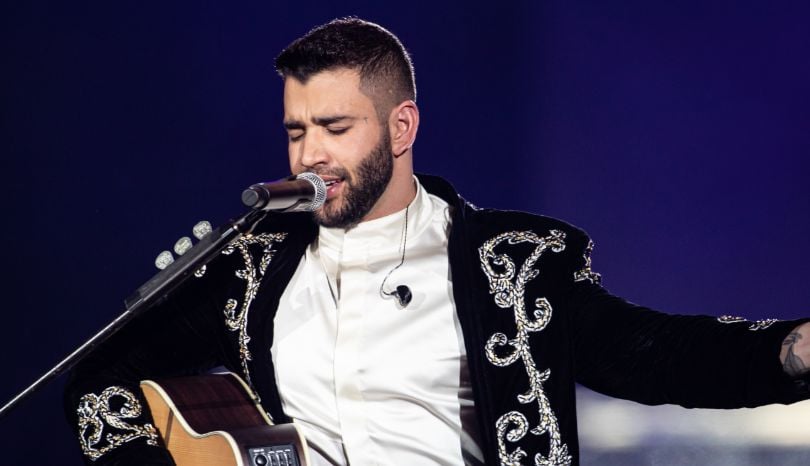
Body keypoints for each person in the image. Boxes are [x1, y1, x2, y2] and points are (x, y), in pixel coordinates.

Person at [63, 17, 810, 466]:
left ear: (401, 128)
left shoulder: (511, 266)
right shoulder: (252, 266)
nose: (309, 155)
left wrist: (788, 351)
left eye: (335, 128)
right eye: (296, 131)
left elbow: (656, 354)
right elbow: (97, 374)